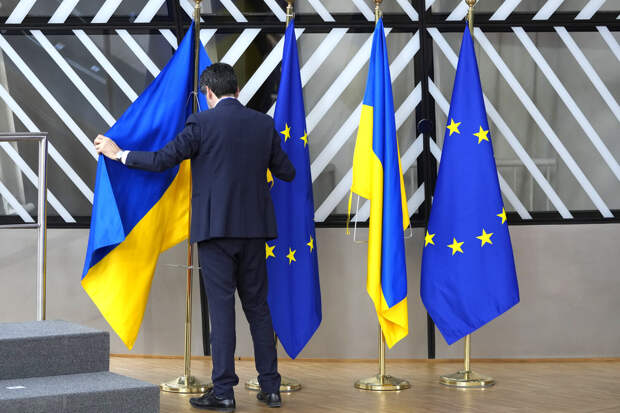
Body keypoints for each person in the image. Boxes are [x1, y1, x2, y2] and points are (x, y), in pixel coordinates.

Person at [94, 63, 295, 412]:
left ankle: (224, 392)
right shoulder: (263, 124)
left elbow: (162, 160)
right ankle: (271, 387)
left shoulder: (201, 123)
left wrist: (119, 153)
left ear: (208, 93)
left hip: (215, 233)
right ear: (237, 90)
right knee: (259, 309)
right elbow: (287, 172)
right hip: (255, 232)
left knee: (222, 310)